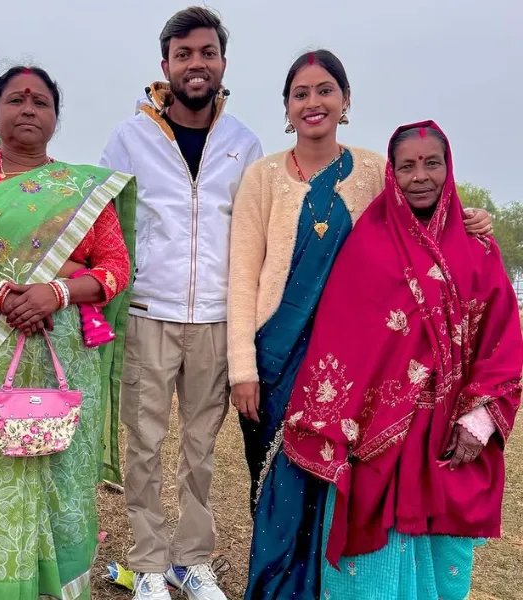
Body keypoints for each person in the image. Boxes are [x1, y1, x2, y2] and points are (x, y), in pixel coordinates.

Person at [227, 52, 493, 600]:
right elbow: (242, 277)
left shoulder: (375, 170)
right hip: (276, 358)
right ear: (286, 108)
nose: (313, 102)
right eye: (300, 93)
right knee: (279, 489)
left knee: (331, 491)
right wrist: (242, 369)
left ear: (345, 101)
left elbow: (418, 226)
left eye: (325, 90)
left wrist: (466, 220)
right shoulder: (261, 177)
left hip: (354, 365)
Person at [283, 121, 523, 600]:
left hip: (448, 430)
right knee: (373, 557)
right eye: (407, 165)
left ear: (448, 168)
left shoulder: (478, 249)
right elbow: (342, 334)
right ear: (391, 174)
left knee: (441, 554)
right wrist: (342, 422)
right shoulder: (368, 245)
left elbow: (504, 339)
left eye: (431, 163)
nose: (420, 176)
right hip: (377, 435)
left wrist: (478, 421)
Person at [0, 65, 136, 600]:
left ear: (55, 117)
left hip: (63, 347)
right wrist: (0, 294)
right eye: (16, 99)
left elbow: (116, 267)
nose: (28, 108)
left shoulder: (80, 188)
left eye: (41, 101)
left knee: (63, 470)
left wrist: (58, 292)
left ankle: (63, 587)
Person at [100, 7, 263, 600]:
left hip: (217, 319)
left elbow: (255, 233)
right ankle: (146, 564)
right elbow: (106, 225)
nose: (197, 64)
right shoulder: (128, 137)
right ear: (165, 64)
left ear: (223, 62)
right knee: (143, 447)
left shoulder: (244, 143)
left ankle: (191, 561)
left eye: (208, 53)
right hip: (147, 314)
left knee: (200, 451)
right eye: (185, 54)